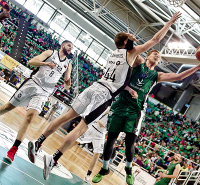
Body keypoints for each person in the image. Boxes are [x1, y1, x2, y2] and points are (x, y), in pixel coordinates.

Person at [29, 12, 181, 181]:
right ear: (126, 43)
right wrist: (170, 22)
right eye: (129, 40)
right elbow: (155, 40)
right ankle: (54, 158)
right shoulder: (130, 54)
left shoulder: (113, 53)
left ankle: (39, 141)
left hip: (94, 86)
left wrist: (129, 88)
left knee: (67, 116)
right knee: (81, 127)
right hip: (104, 94)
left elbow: (123, 73)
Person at [92, 44, 200, 184]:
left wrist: (198, 66)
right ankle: (104, 168)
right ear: (147, 55)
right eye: (155, 54)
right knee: (110, 139)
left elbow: (179, 76)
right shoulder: (138, 63)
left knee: (130, 142)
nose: (157, 56)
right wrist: (130, 42)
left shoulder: (157, 75)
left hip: (136, 110)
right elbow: (130, 53)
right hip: (120, 105)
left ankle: (129, 169)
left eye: (159, 57)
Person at [0, 40, 73, 163]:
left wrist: (68, 83)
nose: (70, 48)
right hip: (33, 83)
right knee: (8, 107)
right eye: (69, 45)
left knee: (30, 117)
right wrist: (45, 63)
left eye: (72, 47)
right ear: (62, 45)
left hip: (45, 92)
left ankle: (13, 149)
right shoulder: (51, 53)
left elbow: (67, 85)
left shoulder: (68, 64)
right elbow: (31, 62)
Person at [76, 108, 111, 183]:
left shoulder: (120, 116)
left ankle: (88, 175)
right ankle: (57, 154)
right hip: (93, 128)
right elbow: (96, 115)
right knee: (75, 142)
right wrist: (99, 122)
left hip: (101, 134)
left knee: (97, 154)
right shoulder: (111, 108)